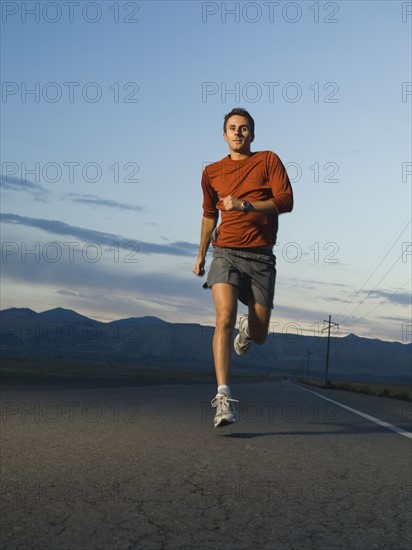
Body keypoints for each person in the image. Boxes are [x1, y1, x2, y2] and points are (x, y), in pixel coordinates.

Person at [193, 108, 294, 427]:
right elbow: (210, 215)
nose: (238, 133)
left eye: (244, 128)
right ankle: (223, 398)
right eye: (233, 128)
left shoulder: (267, 160)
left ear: (252, 134)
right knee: (223, 318)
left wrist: (245, 204)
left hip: (262, 257)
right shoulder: (211, 172)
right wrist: (201, 254)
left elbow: (287, 201)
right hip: (225, 252)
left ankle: (249, 331)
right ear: (224, 135)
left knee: (261, 333)